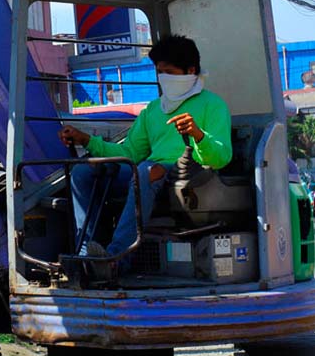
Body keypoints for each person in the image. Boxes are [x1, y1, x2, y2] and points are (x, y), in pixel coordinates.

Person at [59, 35, 232, 266]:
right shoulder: (153, 110)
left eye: (169, 72)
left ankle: (116, 258)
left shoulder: (213, 105)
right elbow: (130, 153)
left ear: (191, 70)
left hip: (191, 173)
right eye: (159, 72)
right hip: (150, 171)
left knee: (146, 171)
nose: (163, 78)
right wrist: (87, 140)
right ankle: (86, 255)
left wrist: (198, 135)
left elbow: (221, 158)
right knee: (83, 172)